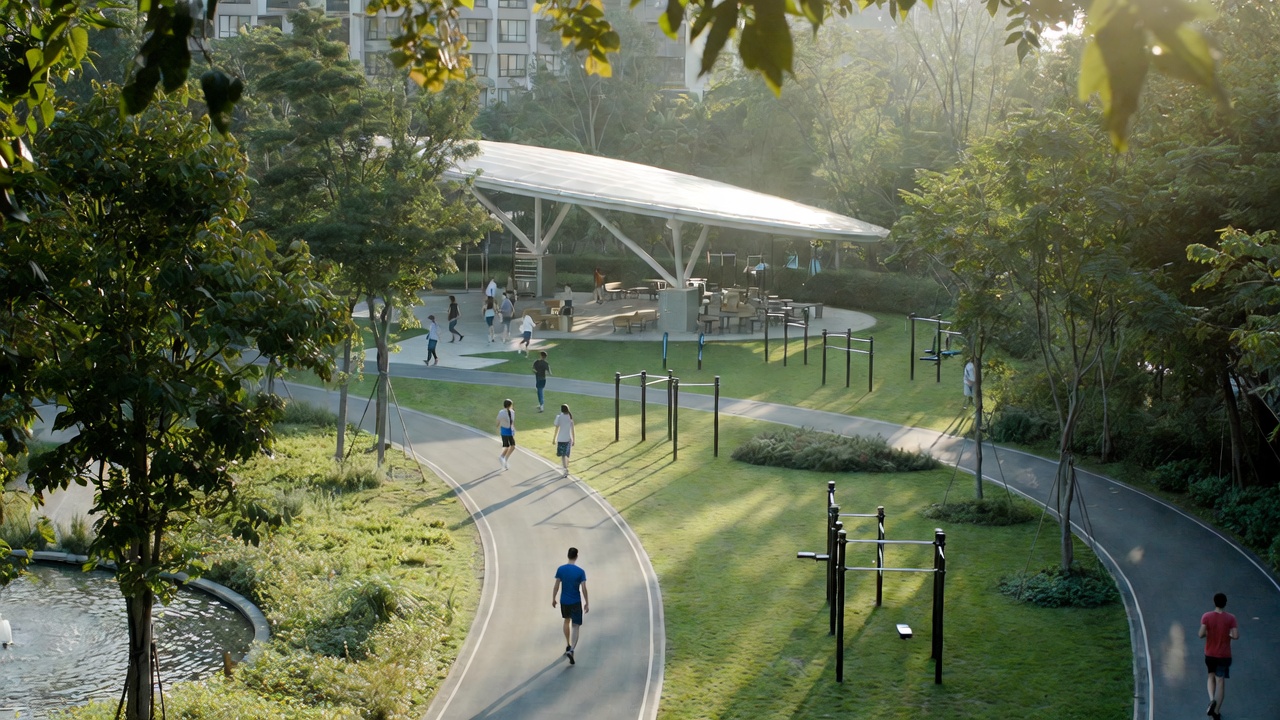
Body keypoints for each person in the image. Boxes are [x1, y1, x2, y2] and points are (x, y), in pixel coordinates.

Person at [1199, 592, 1239, 719]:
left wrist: (1209, 634)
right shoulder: (1231, 618)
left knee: (1210, 676)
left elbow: (1201, 634)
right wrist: (1228, 635)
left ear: (1214, 602)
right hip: (1224, 655)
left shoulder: (1206, 616)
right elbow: (1236, 636)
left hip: (1209, 654)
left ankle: (1212, 699)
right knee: (1220, 681)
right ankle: (1216, 712)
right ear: (1225, 603)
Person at [551, 546, 588, 664]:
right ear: (576, 556)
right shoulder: (580, 572)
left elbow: (556, 585)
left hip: (564, 601)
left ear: (568, 556)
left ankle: (567, 644)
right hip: (576, 601)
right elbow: (583, 588)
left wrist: (553, 598)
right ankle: (572, 650)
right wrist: (587, 602)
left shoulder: (561, 569)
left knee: (566, 620)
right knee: (576, 625)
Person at [552, 404, 575, 477]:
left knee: (563, 455)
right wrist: (574, 439)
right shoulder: (570, 417)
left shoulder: (559, 417)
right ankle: (566, 467)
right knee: (567, 454)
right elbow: (573, 430)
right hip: (568, 439)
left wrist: (554, 438)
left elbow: (556, 428)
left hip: (561, 439)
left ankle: (565, 469)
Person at [496, 399, 516, 471]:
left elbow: (512, 422)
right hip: (505, 431)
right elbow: (498, 420)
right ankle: (503, 458)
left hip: (509, 431)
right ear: (509, 405)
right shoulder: (502, 412)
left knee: (511, 446)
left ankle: (504, 459)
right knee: (508, 446)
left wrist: (513, 430)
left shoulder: (511, 412)